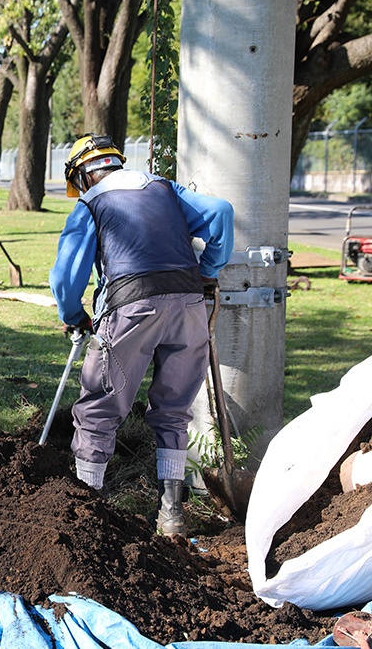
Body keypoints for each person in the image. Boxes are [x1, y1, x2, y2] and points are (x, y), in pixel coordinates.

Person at [49, 134, 234, 537]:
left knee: (99, 410)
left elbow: (65, 277)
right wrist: (209, 269)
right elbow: (221, 211)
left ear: (82, 175)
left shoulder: (91, 203)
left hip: (131, 307)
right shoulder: (164, 188)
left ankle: (87, 513)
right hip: (188, 305)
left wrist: (75, 315)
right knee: (173, 411)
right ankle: (172, 513)